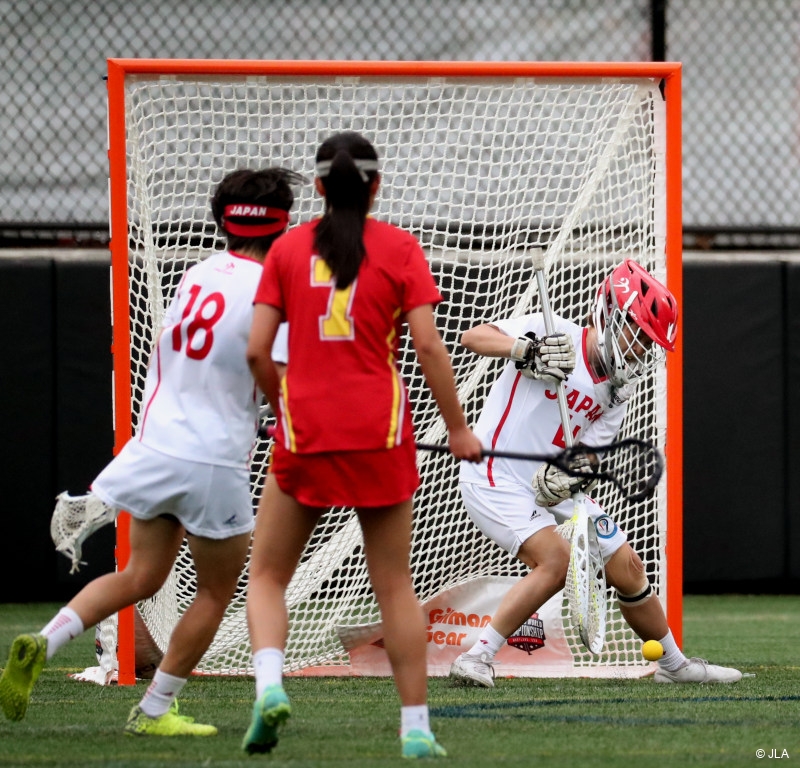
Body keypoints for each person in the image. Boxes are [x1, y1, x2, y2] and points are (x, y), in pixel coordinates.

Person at [0, 167, 304, 734]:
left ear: (223, 222)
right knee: (214, 592)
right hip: (213, 461)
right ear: (282, 227)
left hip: (157, 447)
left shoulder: (197, 275)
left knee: (141, 575)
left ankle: (43, 641)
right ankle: (155, 710)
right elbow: (271, 368)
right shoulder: (276, 290)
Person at [242, 131, 484, 759]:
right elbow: (428, 346)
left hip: (307, 432)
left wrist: (283, 405)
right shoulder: (401, 249)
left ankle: (269, 687)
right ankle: (416, 729)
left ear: (319, 187)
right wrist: (458, 429)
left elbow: (257, 351)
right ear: (376, 186)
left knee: (267, 575)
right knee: (395, 585)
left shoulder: (287, 249)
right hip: (381, 432)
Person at [450, 259, 742, 687]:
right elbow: (472, 336)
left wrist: (572, 474)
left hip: (548, 484)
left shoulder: (617, 391)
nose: (641, 350)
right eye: (639, 335)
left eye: (650, 344)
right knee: (556, 561)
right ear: (611, 314)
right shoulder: (553, 331)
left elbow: (588, 454)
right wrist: (526, 351)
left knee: (629, 568)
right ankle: (475, 657)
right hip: (496, 474)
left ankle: (674, 665)